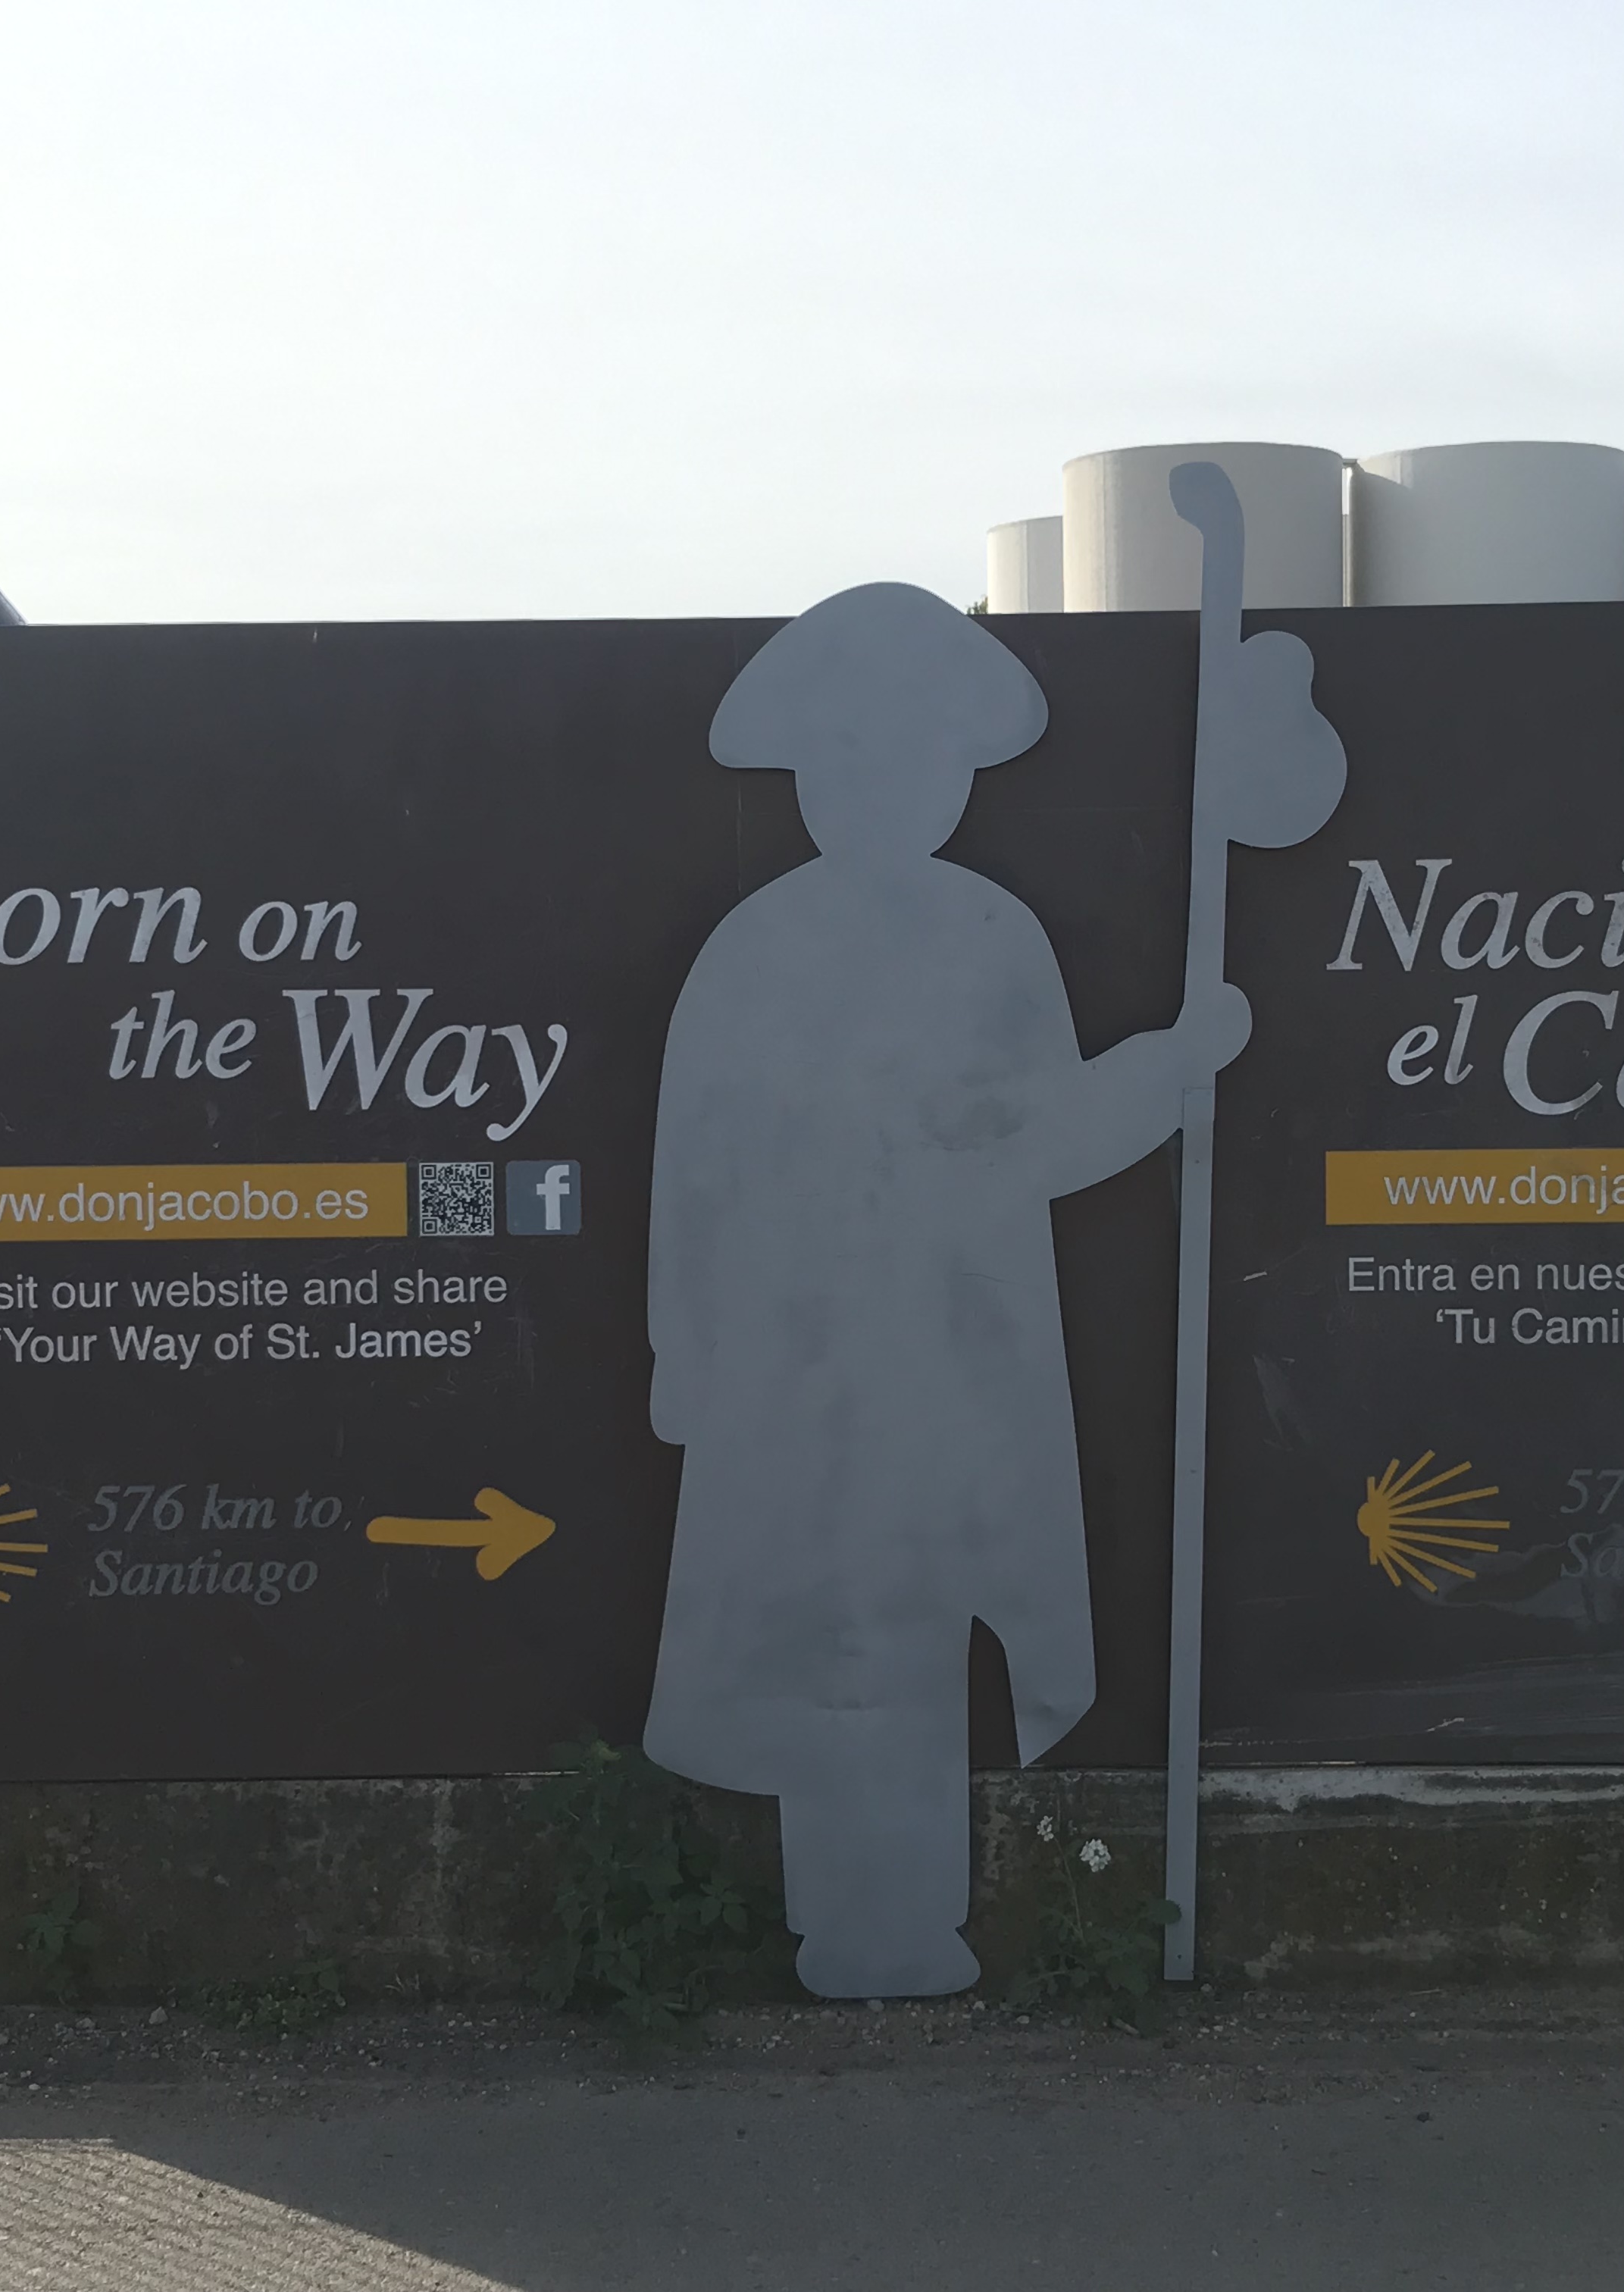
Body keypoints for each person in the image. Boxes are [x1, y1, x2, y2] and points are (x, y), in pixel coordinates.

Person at [641, 582, 1248, 1998]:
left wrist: (1168, 1068)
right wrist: (687, 1347)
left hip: (948, 1354)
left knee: (915, 1624)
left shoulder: (990, 936)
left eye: (917, 756)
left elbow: (1035, 1139)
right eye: (849, 756)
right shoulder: (752, 952)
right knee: (819, 1626)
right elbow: (692, 1170)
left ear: (958, 772)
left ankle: (903, 1920)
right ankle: (844, 1919)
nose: (884, 787)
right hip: (795, 1366)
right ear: (806, 773)